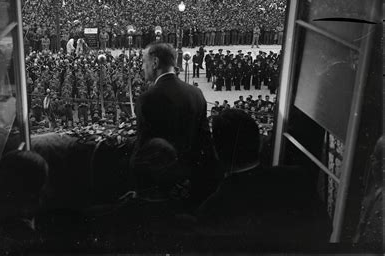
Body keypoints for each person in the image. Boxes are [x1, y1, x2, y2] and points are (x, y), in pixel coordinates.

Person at [197, 109, 332, 247]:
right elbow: (324, 229)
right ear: (260, 144)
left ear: (216, 152)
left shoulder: (210, 210)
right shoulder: (297, 178)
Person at [132, 43, 220, 208]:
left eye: (144, 62)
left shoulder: (147, 98)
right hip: (190, 179)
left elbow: (143, 148)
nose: (143, 67)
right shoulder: (196, 93)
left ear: (155, 62)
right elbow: (205, 142)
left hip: (160, 185)